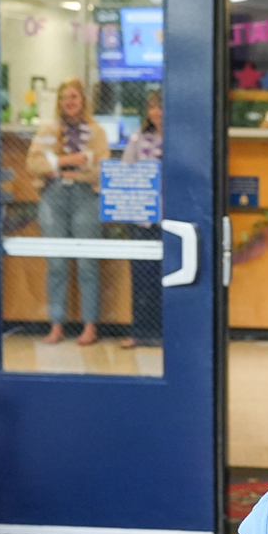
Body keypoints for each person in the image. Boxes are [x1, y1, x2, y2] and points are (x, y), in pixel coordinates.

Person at [25, 79, 109, 346]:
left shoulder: (96, 133)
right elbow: (33, 163)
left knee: (87, 262)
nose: (69, 102)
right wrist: (69, 160)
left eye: (73, 96)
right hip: (53, 198)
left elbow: (101, 170)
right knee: (57, 264)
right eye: (64, 98)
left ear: (83, 100)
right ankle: (56, 325)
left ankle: (89, 327)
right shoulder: (49, 131)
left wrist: (67, 169)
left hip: (86, 198)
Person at [119, 91, 162, 350]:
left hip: (171, 220)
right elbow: (125, 170)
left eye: (161, 107)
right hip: (143, 219)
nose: (157, 112)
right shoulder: (139, 138)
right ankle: (140, 331)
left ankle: (166, 332)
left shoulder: (183, 137)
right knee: (141, 278)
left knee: (167, 278)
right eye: (153, 107)